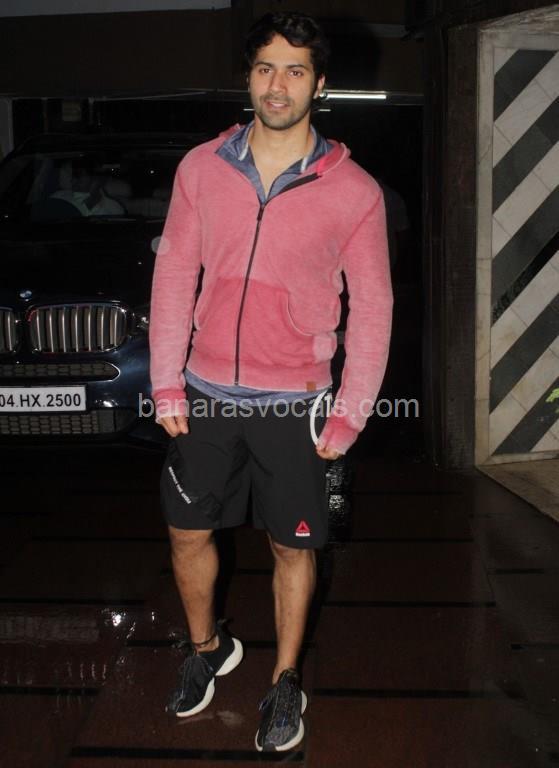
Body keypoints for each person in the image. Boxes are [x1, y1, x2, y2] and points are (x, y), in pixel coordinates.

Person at [149, 11, 393, 752]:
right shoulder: (201, 169)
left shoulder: (354, 191)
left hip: (296, 399)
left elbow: (374, 307)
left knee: (292, 546)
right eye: (264, 68)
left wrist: (349, 415)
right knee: (187, 532)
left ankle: (285, 678)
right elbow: (173, 276)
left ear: (319, 84)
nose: (276, 85)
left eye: (294, 70)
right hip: (203, 392)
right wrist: (165, 383)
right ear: (248, 78)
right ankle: (206, 649)